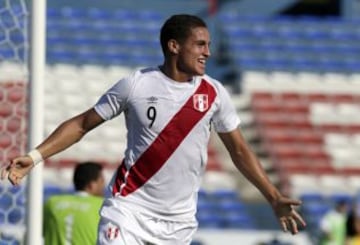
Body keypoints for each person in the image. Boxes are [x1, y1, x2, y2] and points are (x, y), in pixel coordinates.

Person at [1, 14, 306, 244]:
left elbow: (239, 150)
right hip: (127, 210)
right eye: (200, 44)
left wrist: (273, 196)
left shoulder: (214, 93)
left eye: (209, 45)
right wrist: (36, 156)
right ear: (174, 46)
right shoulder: (136, 84)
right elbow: (82, 123)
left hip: (178, 224)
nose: (208, 52)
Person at [43, 161, 105, 245]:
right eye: (101, 181)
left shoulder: (51, 203)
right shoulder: (102, 206)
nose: (104, 186)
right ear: (92, 185)